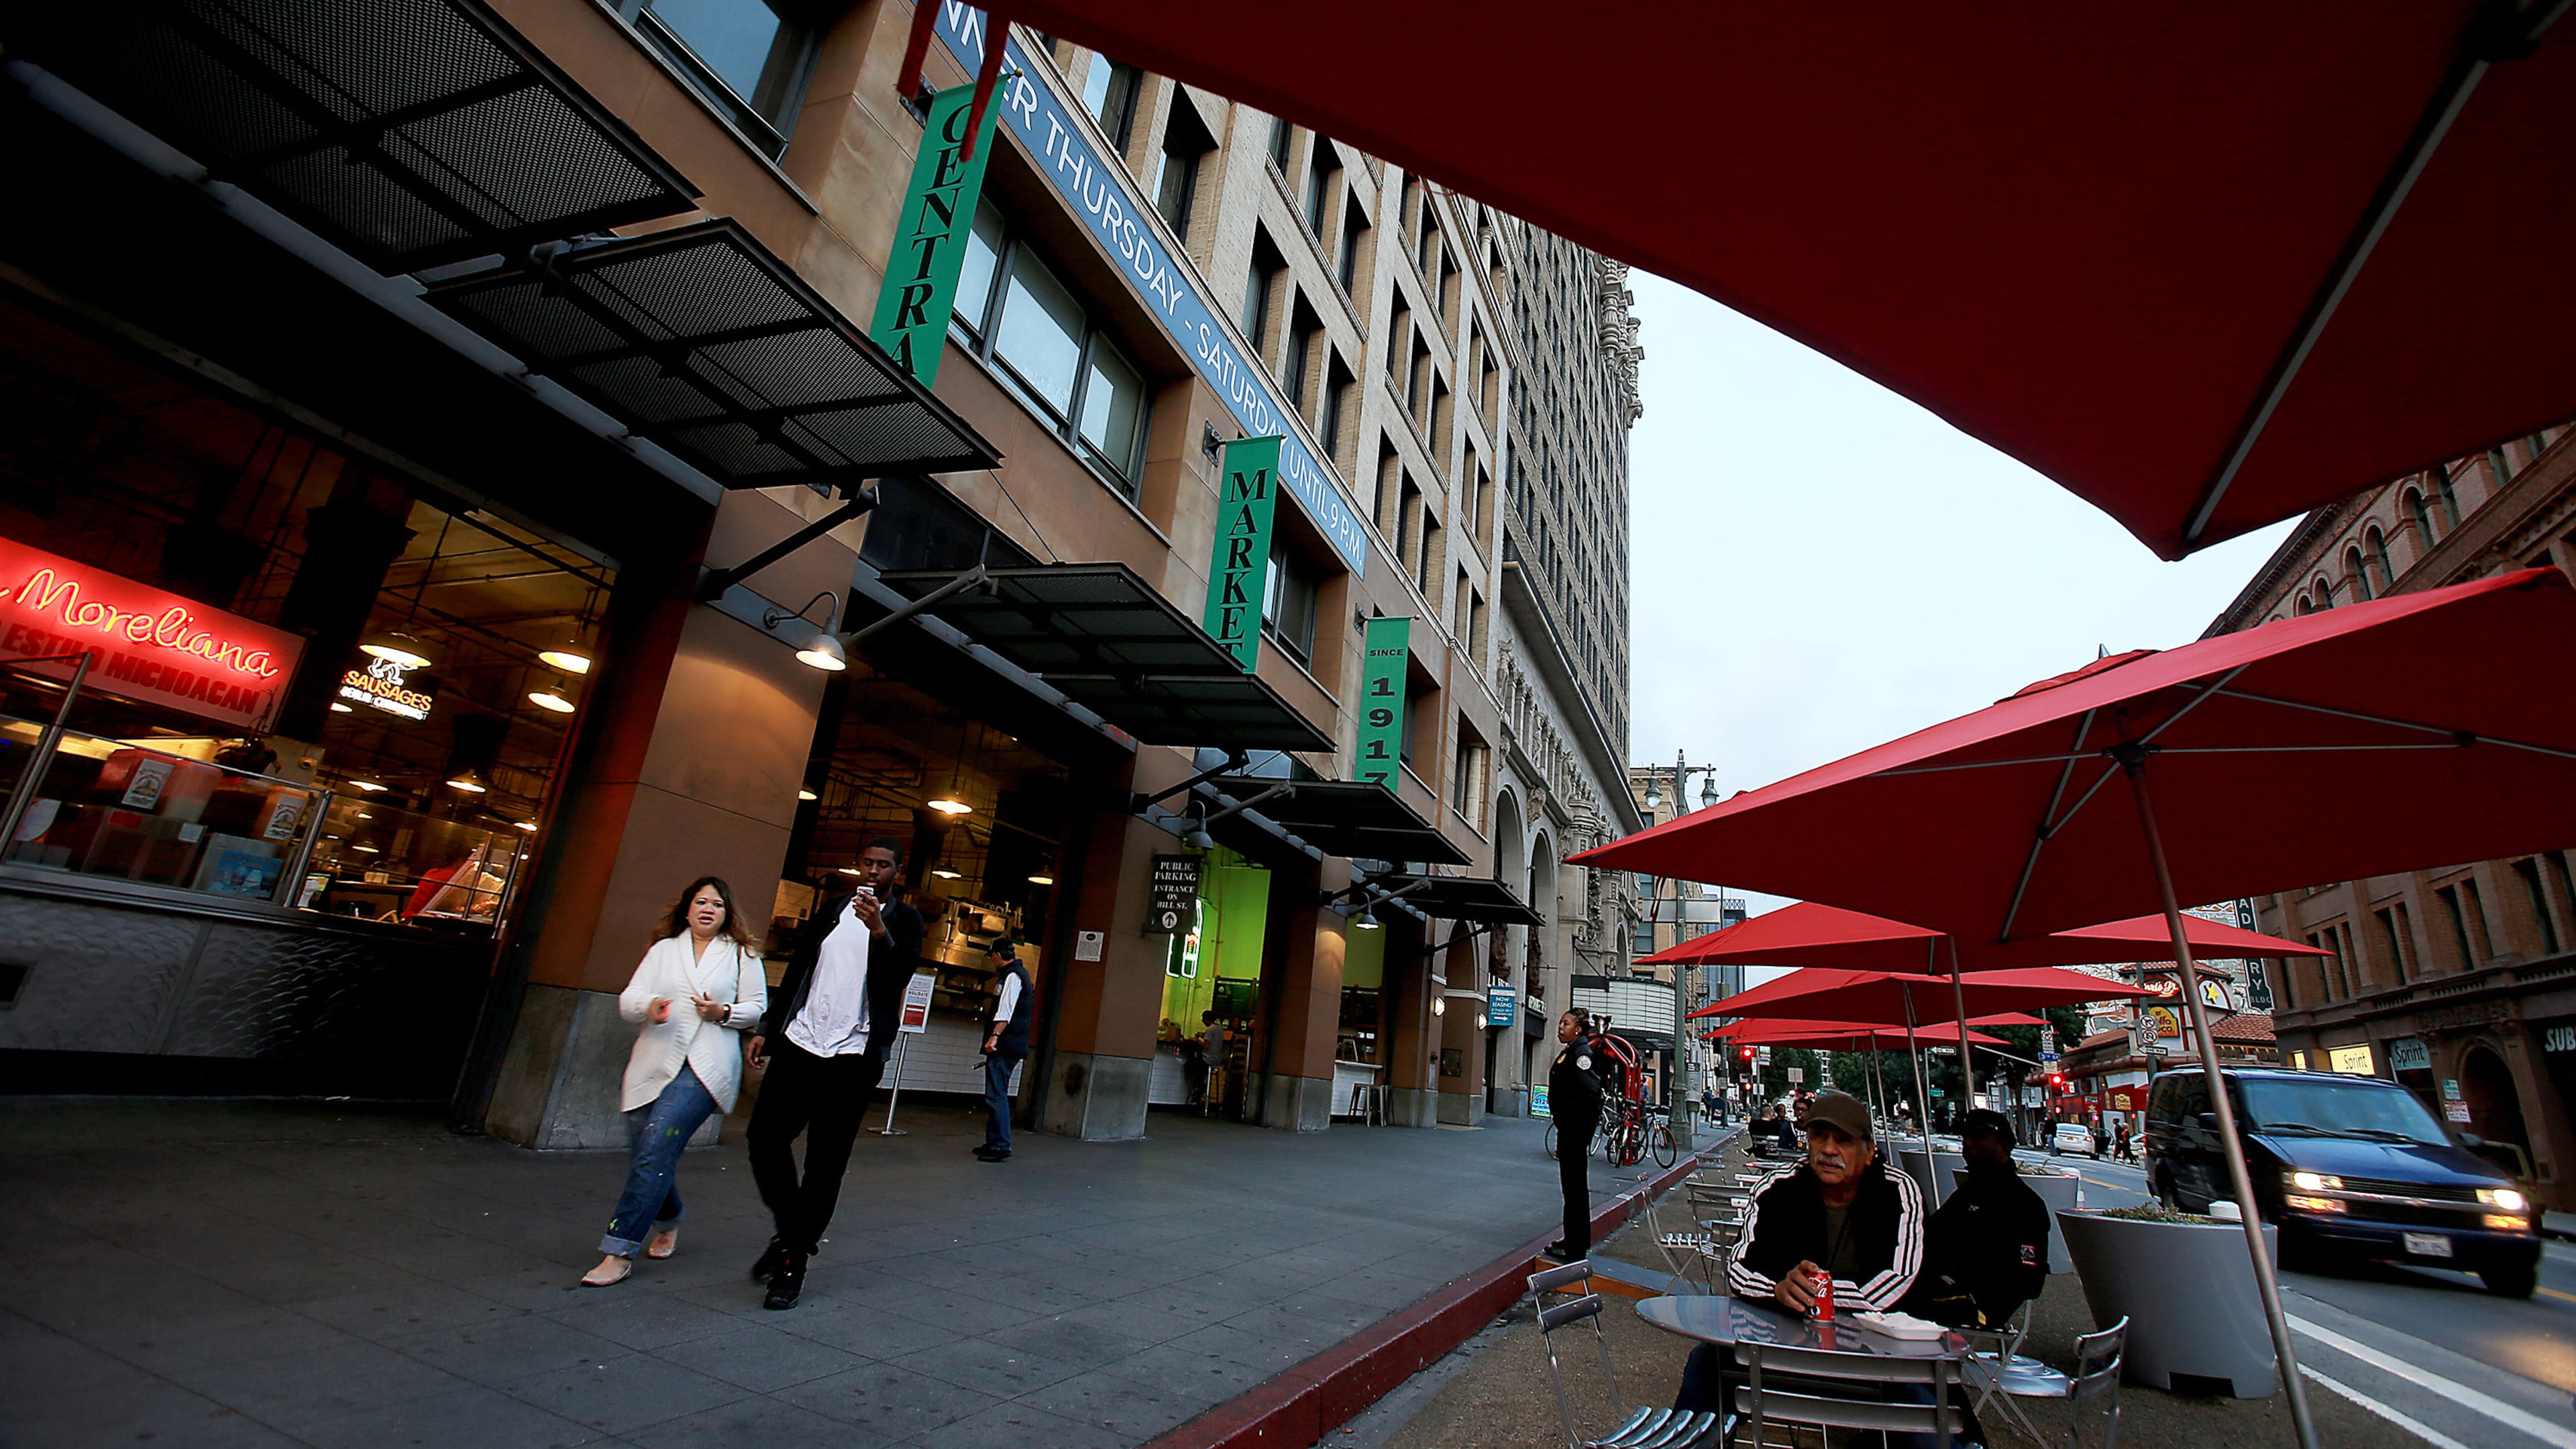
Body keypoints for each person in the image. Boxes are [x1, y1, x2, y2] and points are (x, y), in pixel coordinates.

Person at [1680, 1092, 1943, 1439]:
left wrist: (1817, 1298)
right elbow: (1740, 1268)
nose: (1828, 1150)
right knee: (1708, 1361)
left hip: (1877, 1360)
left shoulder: (1899, 1191)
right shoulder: (1778, 1188)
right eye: (1819, 1136)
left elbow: (1898, 1281)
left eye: (1843, 1140)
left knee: (1925, 1405)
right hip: (1784, 1349)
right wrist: (1778, 1289)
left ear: (1869, 1151)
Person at [743, 839, 923, 1309]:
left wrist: (879, 930)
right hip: (801, 1040)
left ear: (896, 873)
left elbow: (898, 977)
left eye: (884, 866)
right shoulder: (833, 908)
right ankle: (791, 1231)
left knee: (826, 1161)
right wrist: (770, 1025)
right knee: (764, 1137)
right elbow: (801, 966)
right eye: (868, 863)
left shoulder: (904, 920)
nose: (874, 871)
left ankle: (792, 1262)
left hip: (854, 1054)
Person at [581, 877, 767, 1287]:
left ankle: (618, 1249)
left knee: (656, 1147)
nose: (708, 909)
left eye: (717, 905)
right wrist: (649, 1005)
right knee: (647, 1153)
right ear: (687, 909)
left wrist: (723, 1012)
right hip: (652, 1063)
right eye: (701, 902)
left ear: (726, 915)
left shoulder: (742, 955)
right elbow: (629, 1001)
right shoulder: (664, 951)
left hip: (704, 1069)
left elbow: (757, 1008)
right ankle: (668, 1218)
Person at [1899, 1109, 2050, 1330]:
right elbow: (1929, 1234)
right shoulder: (1970, 1191)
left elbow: (2029, 1282)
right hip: (1942, 1286)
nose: (1968, 1144)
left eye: (1979, 1138)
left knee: (1896, 1301)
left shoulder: (2025, 1204)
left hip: (1981, 1305)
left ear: (2006, 1145)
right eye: (1965, 1137)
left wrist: (1959, 1276)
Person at [1546, 1009, 1614, 1259]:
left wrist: (1580, 1130)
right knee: (1571, 1190)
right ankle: (1573, 1239)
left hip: (1574, 1132)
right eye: (1560, 1022)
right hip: (1569, 1130)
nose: (1560, 1027)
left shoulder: (1581, 1054)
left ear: (1578, 1029)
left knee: (1574, 1190)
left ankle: (1575, 1249)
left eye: (1566, 1023)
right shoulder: (1572, 1051)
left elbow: (1592, 1093)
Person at [977, 938, 1034, 1162]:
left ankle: (1000, 1145)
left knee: (996, 1095)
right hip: (1010, 1044)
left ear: (998, 955)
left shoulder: (1013, 976)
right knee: (996, 1093)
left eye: (991, 956)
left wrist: (995, 1036)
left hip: (1005, 1044)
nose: (991, 961)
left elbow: (1006, 1010)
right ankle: (993, 1142)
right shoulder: (1018, 974)